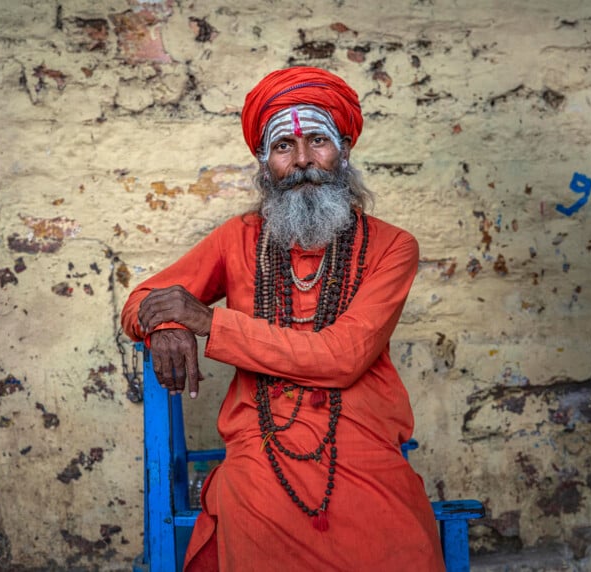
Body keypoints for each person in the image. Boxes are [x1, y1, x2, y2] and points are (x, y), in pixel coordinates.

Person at [121, 66, 445, 571]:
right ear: (262, 161)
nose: (302, 162)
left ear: (344, 151)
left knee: (400, 541)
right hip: (262, 441)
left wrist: (207, 322)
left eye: (317, 141)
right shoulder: (238, 237)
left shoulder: (392, 246)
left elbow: (344, 357)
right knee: (254, 504)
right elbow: (142, 298)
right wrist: (166, 324)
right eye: (283, 147)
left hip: (362, 435)